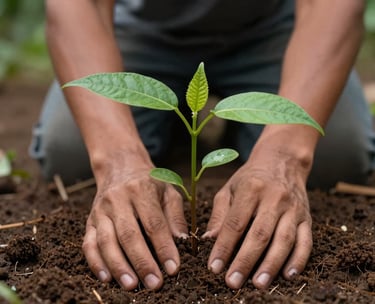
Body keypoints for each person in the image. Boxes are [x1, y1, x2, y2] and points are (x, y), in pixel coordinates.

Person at [30, 0, 372, 291]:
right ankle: (173, 131)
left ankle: (244, 129)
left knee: (336, 154)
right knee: (70, 153)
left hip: (278, 29)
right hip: (140, 31)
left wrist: (286, 155)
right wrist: (116, 158)